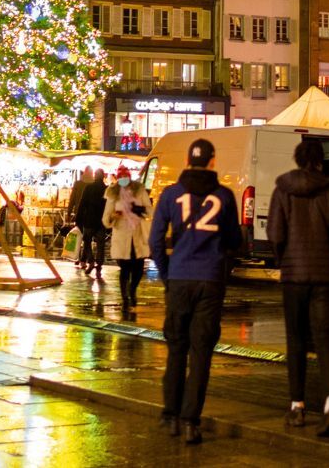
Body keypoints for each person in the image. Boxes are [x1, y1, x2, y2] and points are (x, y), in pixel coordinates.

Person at [149, 138, 243, 445]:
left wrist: (167, 272)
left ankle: (170, 415)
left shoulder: (171, 194)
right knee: (201, 352)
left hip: (179, 277)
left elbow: (155, 241)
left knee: (176, 347)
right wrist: (220, 270)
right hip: (209, 279)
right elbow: (234, 242)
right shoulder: (224, 196)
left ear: (189, 161)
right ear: (213, 161)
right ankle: (191, 420)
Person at [269, 137, 329, 437]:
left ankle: (297, 406)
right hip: (325, 276)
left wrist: (284, 261)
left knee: (296, 340)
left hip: (293, 276)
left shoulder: (283, 190)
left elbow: (275, 233)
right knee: (325, 340)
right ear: (320, 161)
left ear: (296, 159)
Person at [102, 166, 151, 315]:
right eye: (121, 176)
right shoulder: (113, 193)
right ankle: (125, 299)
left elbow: (149, 209)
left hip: (137, 235)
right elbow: (106, 217)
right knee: (124, 270)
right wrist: (114, 217)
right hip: (121, 236)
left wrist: (139, 209)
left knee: (137, 269)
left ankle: (132, 290)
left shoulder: (139, 190)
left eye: (126, 176)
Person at [75, 168, 109, 282]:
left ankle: (91, 260)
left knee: (87, 242)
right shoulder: (106, 189)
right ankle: (99, 267)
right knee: (100, 245)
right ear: (103, 176)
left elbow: (82, 203)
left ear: (95, 176)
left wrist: (78, 218)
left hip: (89, 220)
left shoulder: (89, 188)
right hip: (101, 222)